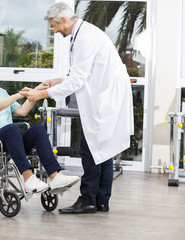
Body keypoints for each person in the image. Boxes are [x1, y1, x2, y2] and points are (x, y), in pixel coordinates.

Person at [21, 2, 134, 213]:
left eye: (54, 26)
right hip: (106, 95)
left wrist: (40, 94)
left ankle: (87, 200)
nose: (54, 31)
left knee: (90, 147)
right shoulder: (83, 34)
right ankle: (101, 200)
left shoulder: (85, 37)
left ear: (64, 19)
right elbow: (81, 73)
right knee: (103, 149)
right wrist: (59, 80)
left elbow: (79, 80)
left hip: (105, 97)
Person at [0, 58, 79, 194]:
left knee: (38, 130)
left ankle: (54, 177)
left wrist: (36, 91)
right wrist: (17, 96)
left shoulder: (1, 92)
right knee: (12, 129)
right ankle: (28, 178)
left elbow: (21, 111)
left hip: (10, 139)